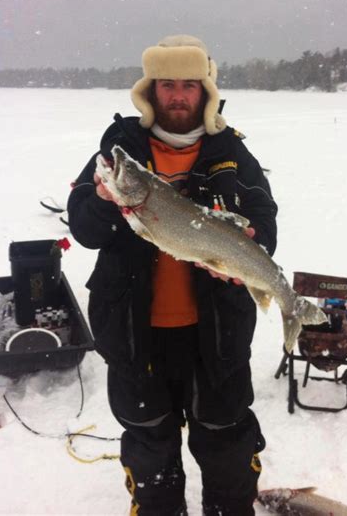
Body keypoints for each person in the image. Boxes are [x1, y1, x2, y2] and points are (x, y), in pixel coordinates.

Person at [68, 35, 278, 516]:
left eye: (189, 85)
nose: (178, 95)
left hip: (217, 336)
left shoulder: (232, 152)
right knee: (150, 451)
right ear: (150, 90)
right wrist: (102, 202)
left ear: (205, 91)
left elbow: (265, 221)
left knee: (227, 445)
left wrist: (253, 236)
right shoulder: (119, 154)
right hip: (135, 335)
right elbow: (82, 227)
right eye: (167, 85)